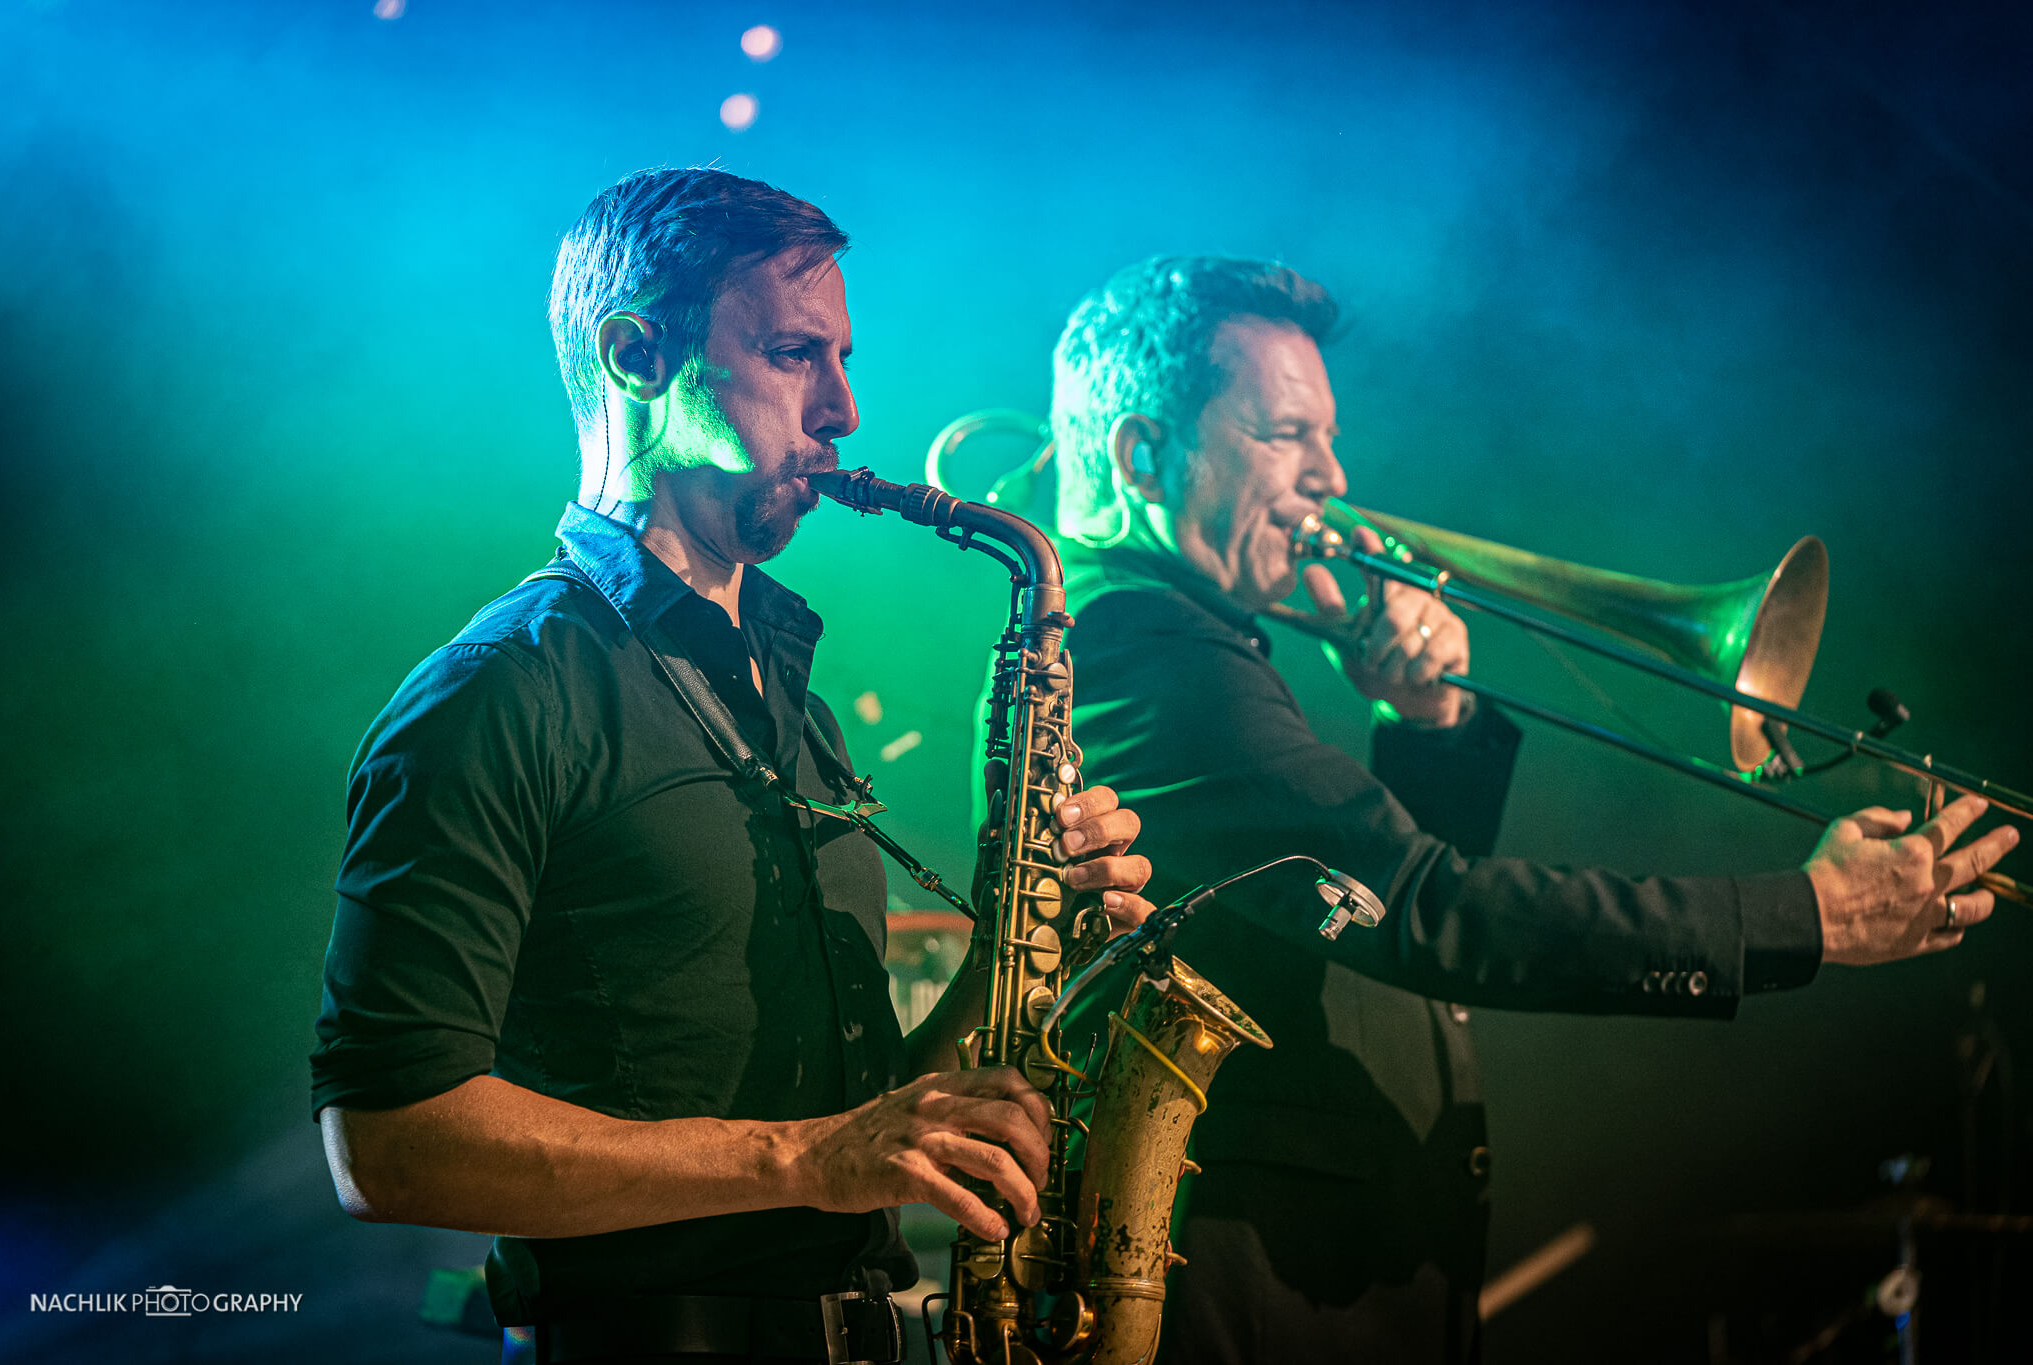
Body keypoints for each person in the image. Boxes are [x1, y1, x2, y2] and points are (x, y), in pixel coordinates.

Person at [1038, 255, 2019, 1364]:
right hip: (1257, 1299)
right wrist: (1805, 916)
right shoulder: (1140, 646)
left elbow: (1372, 921)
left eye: (1330, 436)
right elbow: (1427, 911)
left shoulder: (1182, 639)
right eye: (1284, 434)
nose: (1332, 476)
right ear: (1143, 455)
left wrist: (1427, 720)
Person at [309, 167, 1159, 1365]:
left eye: (841, 359)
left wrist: (1013, 946)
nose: (844, 410)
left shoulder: (793, 701)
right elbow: (387, 1146)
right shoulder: (497, 693)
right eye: (793, 353)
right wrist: (803, 1160)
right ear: (635, 356)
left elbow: (862, 1130)